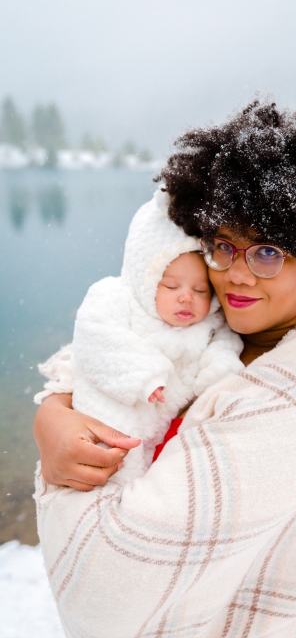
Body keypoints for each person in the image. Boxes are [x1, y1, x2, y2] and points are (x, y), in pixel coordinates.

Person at [32, 101, 296, 638]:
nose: (236, 274)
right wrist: (55, 410)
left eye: (268, 253)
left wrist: (57, 475)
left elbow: (106, 588)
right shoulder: (233, 335)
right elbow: (120, 352)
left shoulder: (291, 404)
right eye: (223, 246)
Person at [35, 188, 244, 482]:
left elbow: (225, 346)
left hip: (164, 424)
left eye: (199, 290)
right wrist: (142, 375)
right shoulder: (115, 298)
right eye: (171, 286)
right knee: (115, 458)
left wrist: (218, 371)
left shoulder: (212, 320)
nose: (187, 298)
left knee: (148, 471)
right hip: (120, 402)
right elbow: (96, 337)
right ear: (147, 279)